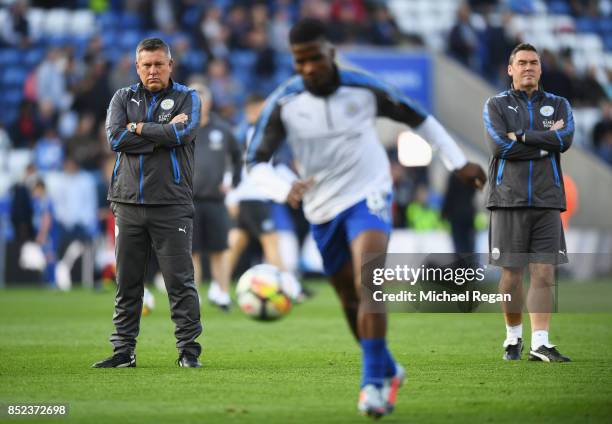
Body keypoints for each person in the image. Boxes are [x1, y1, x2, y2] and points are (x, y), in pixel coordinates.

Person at [246, 18, 486, 418]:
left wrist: (458, 162)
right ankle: (388, 368)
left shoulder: (365, 88)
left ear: (331, 54)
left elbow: (419, 118)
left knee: (369, 282)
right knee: (348, 298)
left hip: (368, 194)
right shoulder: (284, 102)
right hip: (321, 207)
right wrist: (280, 186)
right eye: (300, 61)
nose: (309, 69)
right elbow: (254, 162)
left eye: (315, 59)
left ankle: (372, 386)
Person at [92, 38, 202, 369]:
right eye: (146, 65)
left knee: (179, 282)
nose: (153, 70)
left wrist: (139, 129)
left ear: (171, 64)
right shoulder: (122, 97)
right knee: (127, 283)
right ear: (137, 67)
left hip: (171, 204)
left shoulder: (188, 97)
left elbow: (184, 134)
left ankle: (188, 351)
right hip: (126, 203)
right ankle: (123, 352)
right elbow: (115, 138)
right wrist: (163, 132)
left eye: (158, 64)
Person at [483, 43, 574, 363]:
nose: (528, 67)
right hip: (509, 198)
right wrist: (544, 143)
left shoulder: (559, 104)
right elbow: (499, 147)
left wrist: (520, 136)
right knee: (511, 274)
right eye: (521, 63)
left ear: (541, 68)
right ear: (510, 69)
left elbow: (566, 140)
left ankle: (540, 343)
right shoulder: (495, 104)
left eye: (533, 62)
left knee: (544, 273)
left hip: (548, 200)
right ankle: (512, 338)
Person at [189, 82, 241, 311]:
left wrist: (233, 182)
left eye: (202, 99)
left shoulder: (222, 129)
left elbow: (238, 158)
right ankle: (193, 297)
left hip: (215, 200)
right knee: (192, 253)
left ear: (209, 102)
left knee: (220, 249)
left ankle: (222, 293)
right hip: (187, 200)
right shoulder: (181, 129)